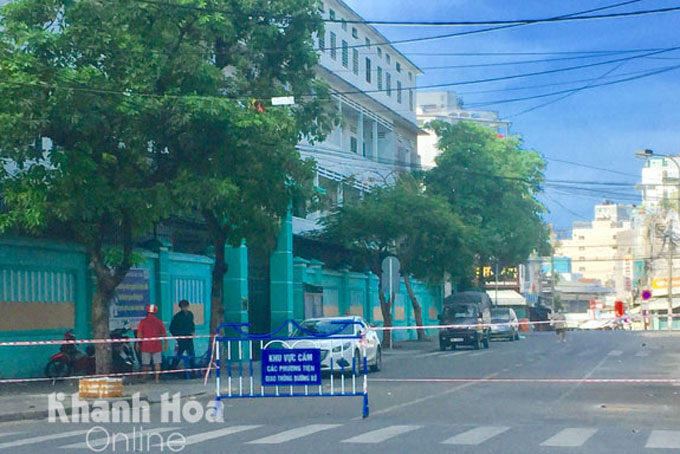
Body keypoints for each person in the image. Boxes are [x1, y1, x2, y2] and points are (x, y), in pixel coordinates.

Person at [136, 304, 167, 383]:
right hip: (157, 345)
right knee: (157, 363)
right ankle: (157, 379)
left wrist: (137, 343)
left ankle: (144, 378)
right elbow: (164, 333)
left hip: (146, 345)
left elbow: (139, 333)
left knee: (145, 363)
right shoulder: (159, 322)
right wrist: (165, 344)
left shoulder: (143, 322)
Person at [170, 299, 196, 375]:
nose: (185, 308)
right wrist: (177, 337)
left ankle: (193, 370)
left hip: (189, 338)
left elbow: (192, 324)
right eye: (183, 307)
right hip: (181, 339)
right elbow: (172, 328)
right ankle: (173, 369)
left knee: (191, 354)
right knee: (178, 354)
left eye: (186, 306)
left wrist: (192, 332)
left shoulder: (190, 314)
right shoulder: (177, 317)